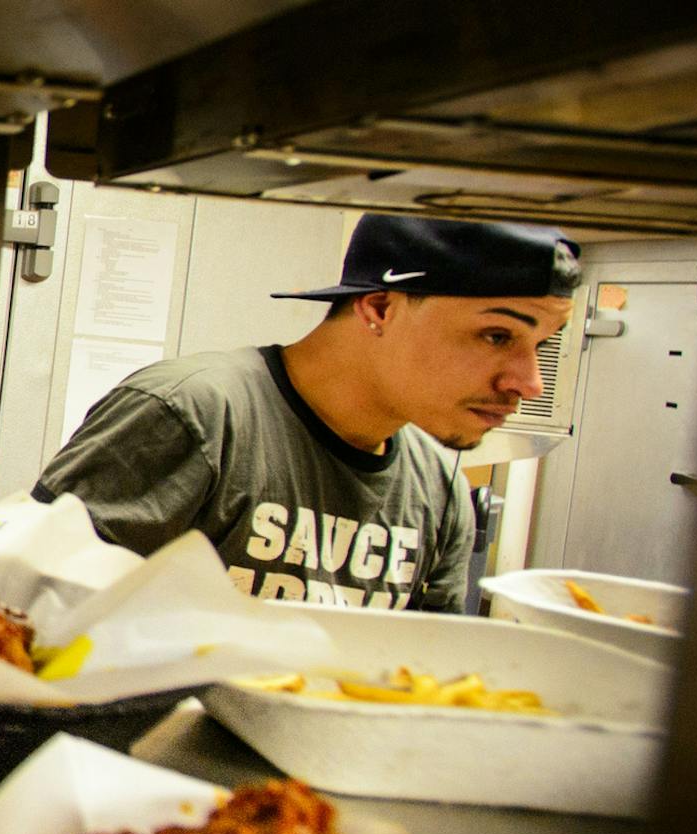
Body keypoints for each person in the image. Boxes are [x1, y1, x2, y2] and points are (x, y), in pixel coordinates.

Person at [34, 214, 580, 613]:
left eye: (542, 344)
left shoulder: (439, 491)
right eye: (496, 335)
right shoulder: (192, 417)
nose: (529, 382)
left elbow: (416, 677)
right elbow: (22, 616)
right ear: (381, 307)